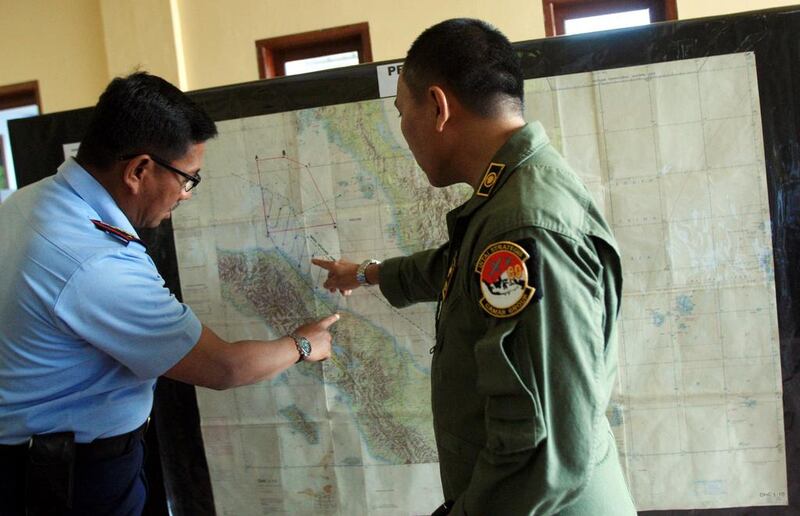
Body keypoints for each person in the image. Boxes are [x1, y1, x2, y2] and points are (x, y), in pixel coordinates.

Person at [313, 18, 635, 515]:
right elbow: (459, 268)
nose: (404, 131)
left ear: (439, 107)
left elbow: (548, 452)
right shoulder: (513, 194)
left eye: (403, 112)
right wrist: (366, 273)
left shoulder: (525, 226)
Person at [0, 72, 338, 516]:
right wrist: (304, 343)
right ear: (139, 170)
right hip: (67, 481)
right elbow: (224, 367)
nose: (186, 195)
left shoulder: (28, 202)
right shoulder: (96, 261)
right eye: (187, 179)